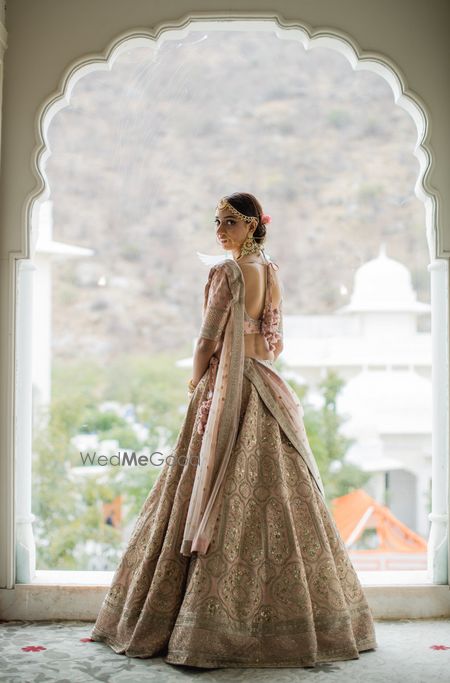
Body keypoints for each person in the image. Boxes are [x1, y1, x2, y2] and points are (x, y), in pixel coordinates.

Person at [90, 192, 378, 668]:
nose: (219, 231)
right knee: (278, 495)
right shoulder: (271, 270)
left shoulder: (226, 273)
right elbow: (274, 341)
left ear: (251, 226)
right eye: (216, 222)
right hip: (266, 384)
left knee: (203, 485)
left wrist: (198, 379)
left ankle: (200, 624)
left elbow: (206, 338)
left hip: (229, 388)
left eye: (229, 223)